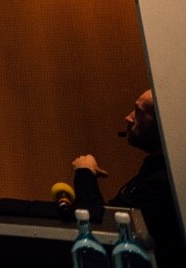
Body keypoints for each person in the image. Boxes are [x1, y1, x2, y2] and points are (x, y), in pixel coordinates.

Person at [72, 89, 184, 266]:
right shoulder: (155, 170)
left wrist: (85, 173)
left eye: (139, 112)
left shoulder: (162, 183)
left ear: (163, 123)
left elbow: (101, 228)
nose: (128, 118)